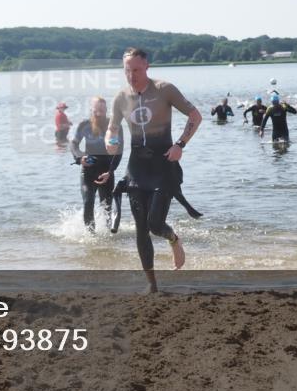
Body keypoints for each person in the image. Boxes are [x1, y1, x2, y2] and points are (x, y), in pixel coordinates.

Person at [106, 48, 203, 293]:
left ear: (147, 66)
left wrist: (180, 144)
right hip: (136, 168)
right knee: (141, 228)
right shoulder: (121, 97)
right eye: (127, 70)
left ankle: (173, 239)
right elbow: (112, 128)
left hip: (163, 165)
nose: (132, 75)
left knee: (154, 224)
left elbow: (195, 116)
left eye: (136, 70)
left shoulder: (164, 89)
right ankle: (152, 284)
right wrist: (110, 140)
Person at [69, 97, 124, 232]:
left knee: (107, 207)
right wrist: (79, 158)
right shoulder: (84, 125)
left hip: (106, 172)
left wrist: (110, 171)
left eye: (102, 110)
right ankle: (91, 236)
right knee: (88, 202)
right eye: (96, 110)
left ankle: (108, 236)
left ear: (106, 110)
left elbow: (119, 151)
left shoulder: (115, 126)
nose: (99, 113)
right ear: (91, 110)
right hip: (88, 171)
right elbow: (74, 144)